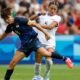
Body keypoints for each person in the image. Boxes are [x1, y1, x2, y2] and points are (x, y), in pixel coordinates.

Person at [31, 2, 73, 80]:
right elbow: (30, 20)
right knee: (38, 59)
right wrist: (39, 14)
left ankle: (47, 75)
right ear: (48, 7)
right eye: (51, 8)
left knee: (49, 58)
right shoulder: (42, 15)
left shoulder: (57, 18)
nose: (53, 10)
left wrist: (36, 25)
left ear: (56, 10)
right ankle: (37, 76)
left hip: (50, 41)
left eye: (55, 9)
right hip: (39, 40)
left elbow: (50, 27)